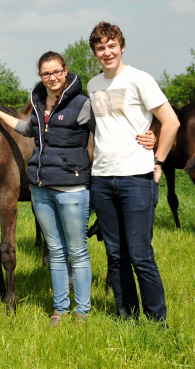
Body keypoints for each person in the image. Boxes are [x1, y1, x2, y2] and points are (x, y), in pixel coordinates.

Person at [0, 51, 156, 327]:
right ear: (40, 76)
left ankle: (83, 311)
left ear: (65, 71)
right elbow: (27, 130)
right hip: (41, 188)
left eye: (56, 72)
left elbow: (109, 130)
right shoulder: (39, 103)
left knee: (77, 251)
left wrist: (148, 134)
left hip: (73, 188)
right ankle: (60, 308)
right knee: (55, 250)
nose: (51, 78)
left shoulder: (83, 103)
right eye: (45, 74)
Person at [87, 21, 180, 322]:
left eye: (111, 45)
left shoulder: (140, 79)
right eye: (101, 48)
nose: (107, 52)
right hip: (101, 179)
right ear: (95, 53)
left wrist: (159, 161)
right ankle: (127, 317)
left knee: (141, 256)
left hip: (136, 179)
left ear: (122, 47)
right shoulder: (93, 85)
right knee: (115, 256)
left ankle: (157, 322)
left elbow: (171, 121)